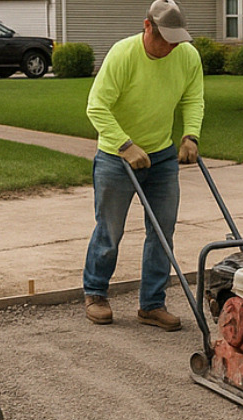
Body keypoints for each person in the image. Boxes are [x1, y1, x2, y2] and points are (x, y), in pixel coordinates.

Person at [81, 0, 204, 332]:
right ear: (147, 27)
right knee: (110, 230)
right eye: (164, 38)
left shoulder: (187, 56)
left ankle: (151, 304)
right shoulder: (123, 55)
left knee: (163, 231)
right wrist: (125, 145)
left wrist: (191, 135)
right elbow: (97, 107)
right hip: (115, 157)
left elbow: (193, 97)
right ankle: (95, 293)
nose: (170, 46)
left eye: (175, 39)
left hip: (162, 156)